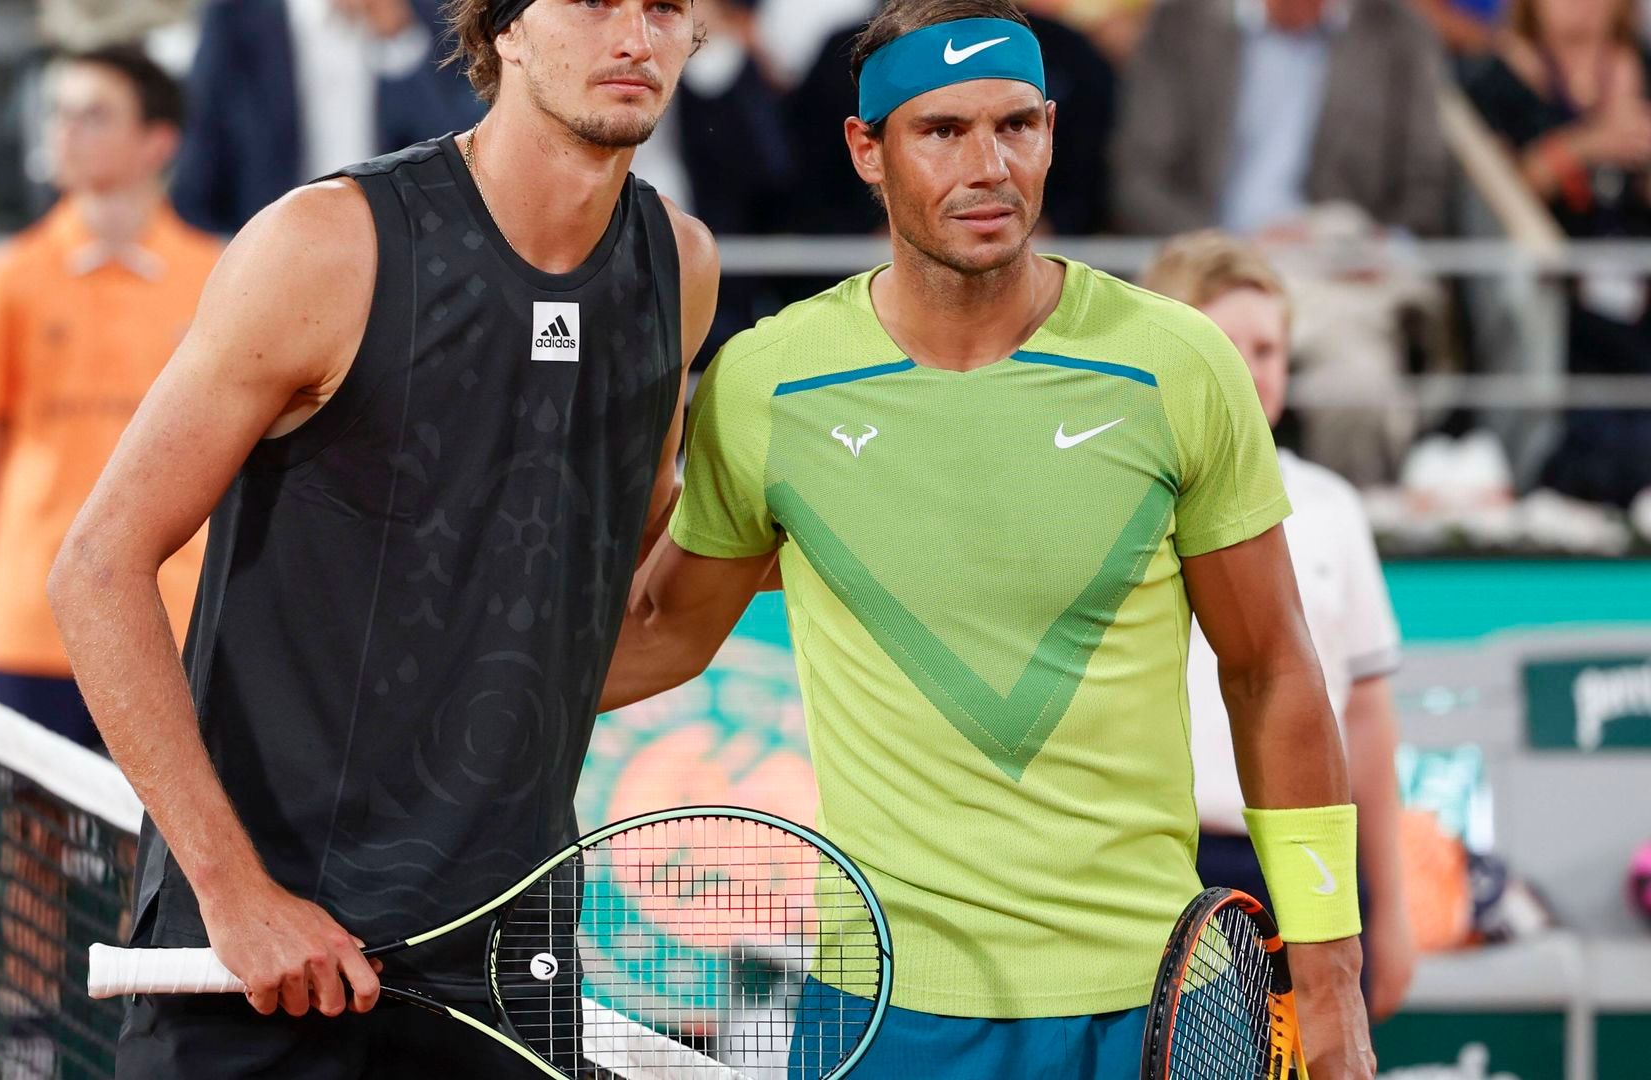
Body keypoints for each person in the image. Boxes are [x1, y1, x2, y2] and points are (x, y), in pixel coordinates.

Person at [601, 2, 1374, 1077]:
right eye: (943, 131)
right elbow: (655, 634)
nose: (989, 167)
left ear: (1052, 131)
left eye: (1016, 125)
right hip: (880, 1012)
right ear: (866, 150)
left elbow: (1273, 668)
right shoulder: (768, 384)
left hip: (1154, 999)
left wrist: (1331, 975)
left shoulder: (1181, 366)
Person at [47, 0, 719, 1073]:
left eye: (665, 7)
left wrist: (781, 541)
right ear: (504, 28)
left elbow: (607, 617)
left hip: (503, 963)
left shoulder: (677, 267)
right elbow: (95, 568)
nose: (635, 36)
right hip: (268, 961)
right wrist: (233, 892)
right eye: (594, 2)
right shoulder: (327, 244)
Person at [1144, 230, 1419, 1022]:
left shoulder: (1332, 508)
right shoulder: (1115, 506)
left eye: (1267, 348)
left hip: (1311, 866)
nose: (1251, 368)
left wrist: (1390, 907)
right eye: (1225, 346)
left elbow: (1366, 719)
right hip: (1165, 867)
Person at [0, 46, 217, 748]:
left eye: (94, 115)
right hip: (34, 621)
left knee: (168, 822)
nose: (66, 130)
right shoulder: (6, 276)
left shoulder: (219, 277)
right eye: (60, 113)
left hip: (177, 619)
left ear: (158, 141)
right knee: (25, 821)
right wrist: (13, 566)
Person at [1114, 0, 1452, 487]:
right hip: (1207, 264)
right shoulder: (1181, 22)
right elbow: (1138, 182)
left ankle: (1345, 519)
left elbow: (1425, 192)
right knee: (1168, 391)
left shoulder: (1397, 32)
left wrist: (1368, 244)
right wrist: (1232, 246)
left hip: (1336, 271)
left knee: (1358, 393)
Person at [1465, 0, 1651, 506]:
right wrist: (1587, 146)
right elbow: (1491, 199)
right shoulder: (1497, 79)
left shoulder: (1643, 63)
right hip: (1558, 302)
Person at [171, 0, 484, 235]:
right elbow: (200, 165)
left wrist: (398, 40)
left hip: (405, 252)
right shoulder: (235, 18)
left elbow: (466, 152)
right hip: (274, 250)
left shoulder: (438, 14)